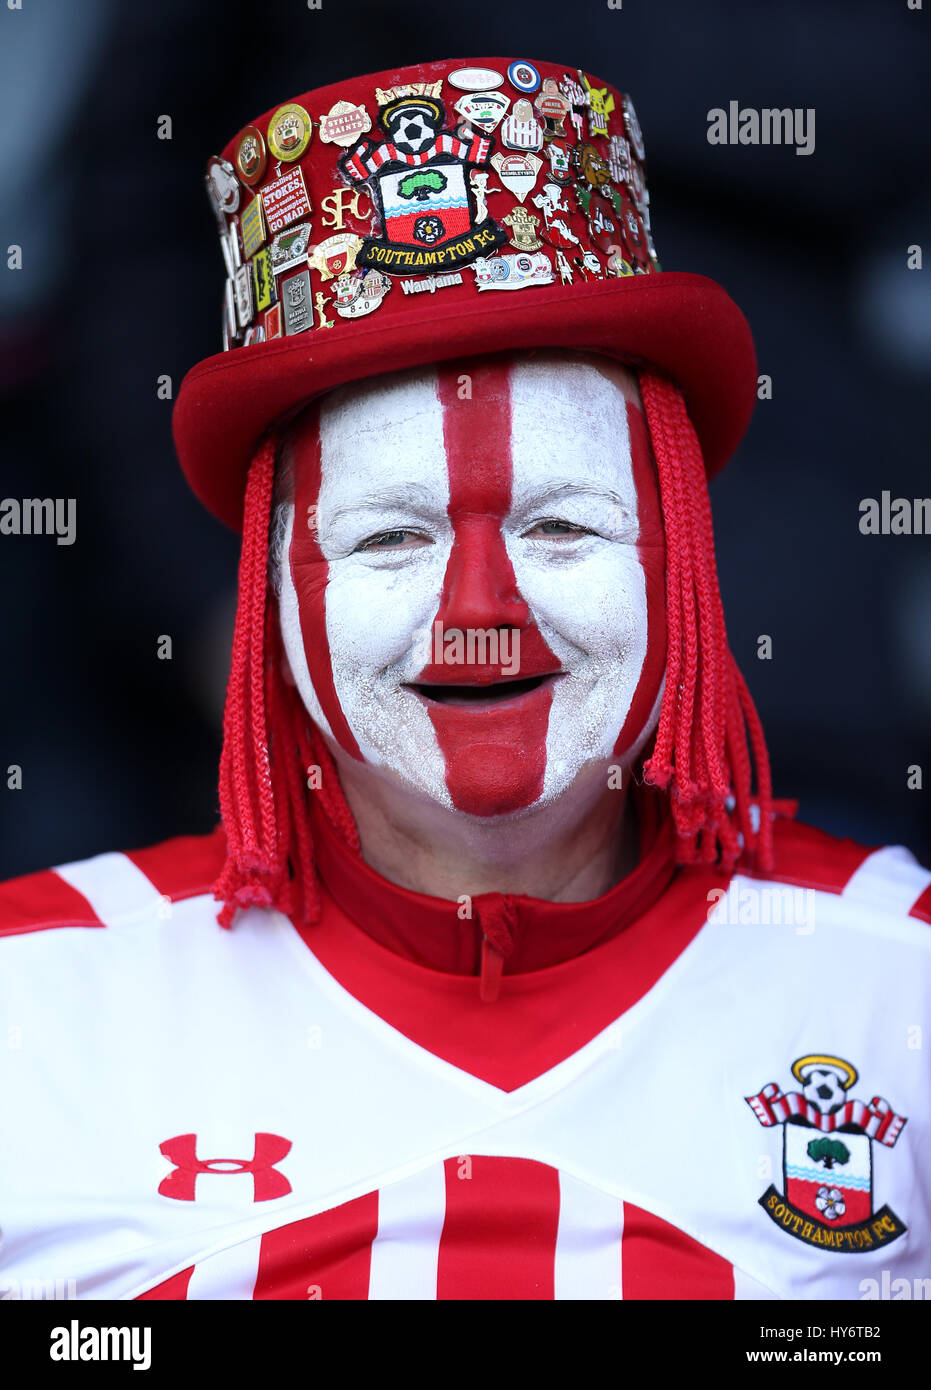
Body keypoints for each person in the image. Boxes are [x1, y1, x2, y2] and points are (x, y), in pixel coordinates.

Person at [1, 56, 928, 1303]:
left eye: (564, 528)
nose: (479, 610)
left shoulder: (897, 977)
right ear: (271, 583)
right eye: (388, 538)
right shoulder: (36, 1000)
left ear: (680, 555)